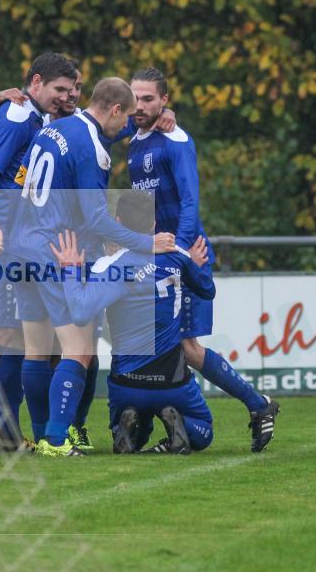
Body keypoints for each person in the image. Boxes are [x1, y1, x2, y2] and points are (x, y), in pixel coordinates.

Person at [0, 61, 178, 453]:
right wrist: (145, 243)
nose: (125, 128)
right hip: (55, 251)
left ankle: (42, 432)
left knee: (36, 349)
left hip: (21, 246)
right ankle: (56, 438)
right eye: (126, 118)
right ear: (114, 109)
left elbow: (18, 179)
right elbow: (98, 219)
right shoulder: (93, 151)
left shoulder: (54, 127)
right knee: (78, 350)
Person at [127, 68, 280, 452]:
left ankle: (257, 405)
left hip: (181, 254)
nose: (140, 105)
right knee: (163, 346)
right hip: (156, 254)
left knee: (186, 348)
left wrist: (179, 254)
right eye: (135, 98)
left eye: (148, 98)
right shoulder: (134, 139)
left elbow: (191, 201)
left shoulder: (175, 140)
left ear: (165, 100)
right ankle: (183, 429)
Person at [0, 53, 78, 453]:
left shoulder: (33, 117)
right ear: (36, 82)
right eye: (59, 90)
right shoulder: (18, 115)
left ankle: (9, 436)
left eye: (71, 91)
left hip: (19, 235)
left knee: (13, 338)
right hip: (0, 233)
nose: (65, 97)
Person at [50, 191, 216, 454]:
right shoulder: (175, 254)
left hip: (127, 383)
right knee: (204, 430)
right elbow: (207, 290)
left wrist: (71, 270)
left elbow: (81, 312)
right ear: (153, 225)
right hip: (171, 382)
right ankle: (175, 421)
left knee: (126, 426)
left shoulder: (109, 266)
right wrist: (192, 266)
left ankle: (124, 425)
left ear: (117, 221)